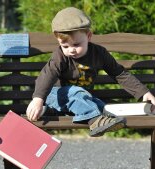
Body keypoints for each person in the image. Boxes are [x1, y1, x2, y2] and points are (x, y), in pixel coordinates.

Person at [26, 7, 155, 137]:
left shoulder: (99, 53)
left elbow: (119, 73)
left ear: (88, 36)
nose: (71, 50)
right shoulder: (60, 56)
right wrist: (38, 99)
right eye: (65, 46)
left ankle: (50, 112)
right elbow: (47, 75)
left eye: (76, 45)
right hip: (54, 95)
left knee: (99, 105)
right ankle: (95, 121)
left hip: (78, 102)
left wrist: (143, 92)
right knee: (76, 92)